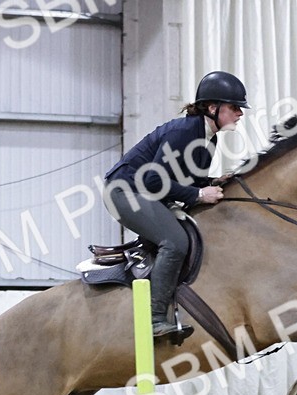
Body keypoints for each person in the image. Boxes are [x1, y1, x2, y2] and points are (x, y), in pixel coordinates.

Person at [103, 70, 249, 339]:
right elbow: (153, 180)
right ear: (213, 108)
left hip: (147, 192)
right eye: (234, 107)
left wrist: (213, 181)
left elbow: (188, 179)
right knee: (175, 242)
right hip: (125, 192)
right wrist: (199, 194)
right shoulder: (184, 132)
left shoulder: (209, 138)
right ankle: (155, 319)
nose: (240, 113)